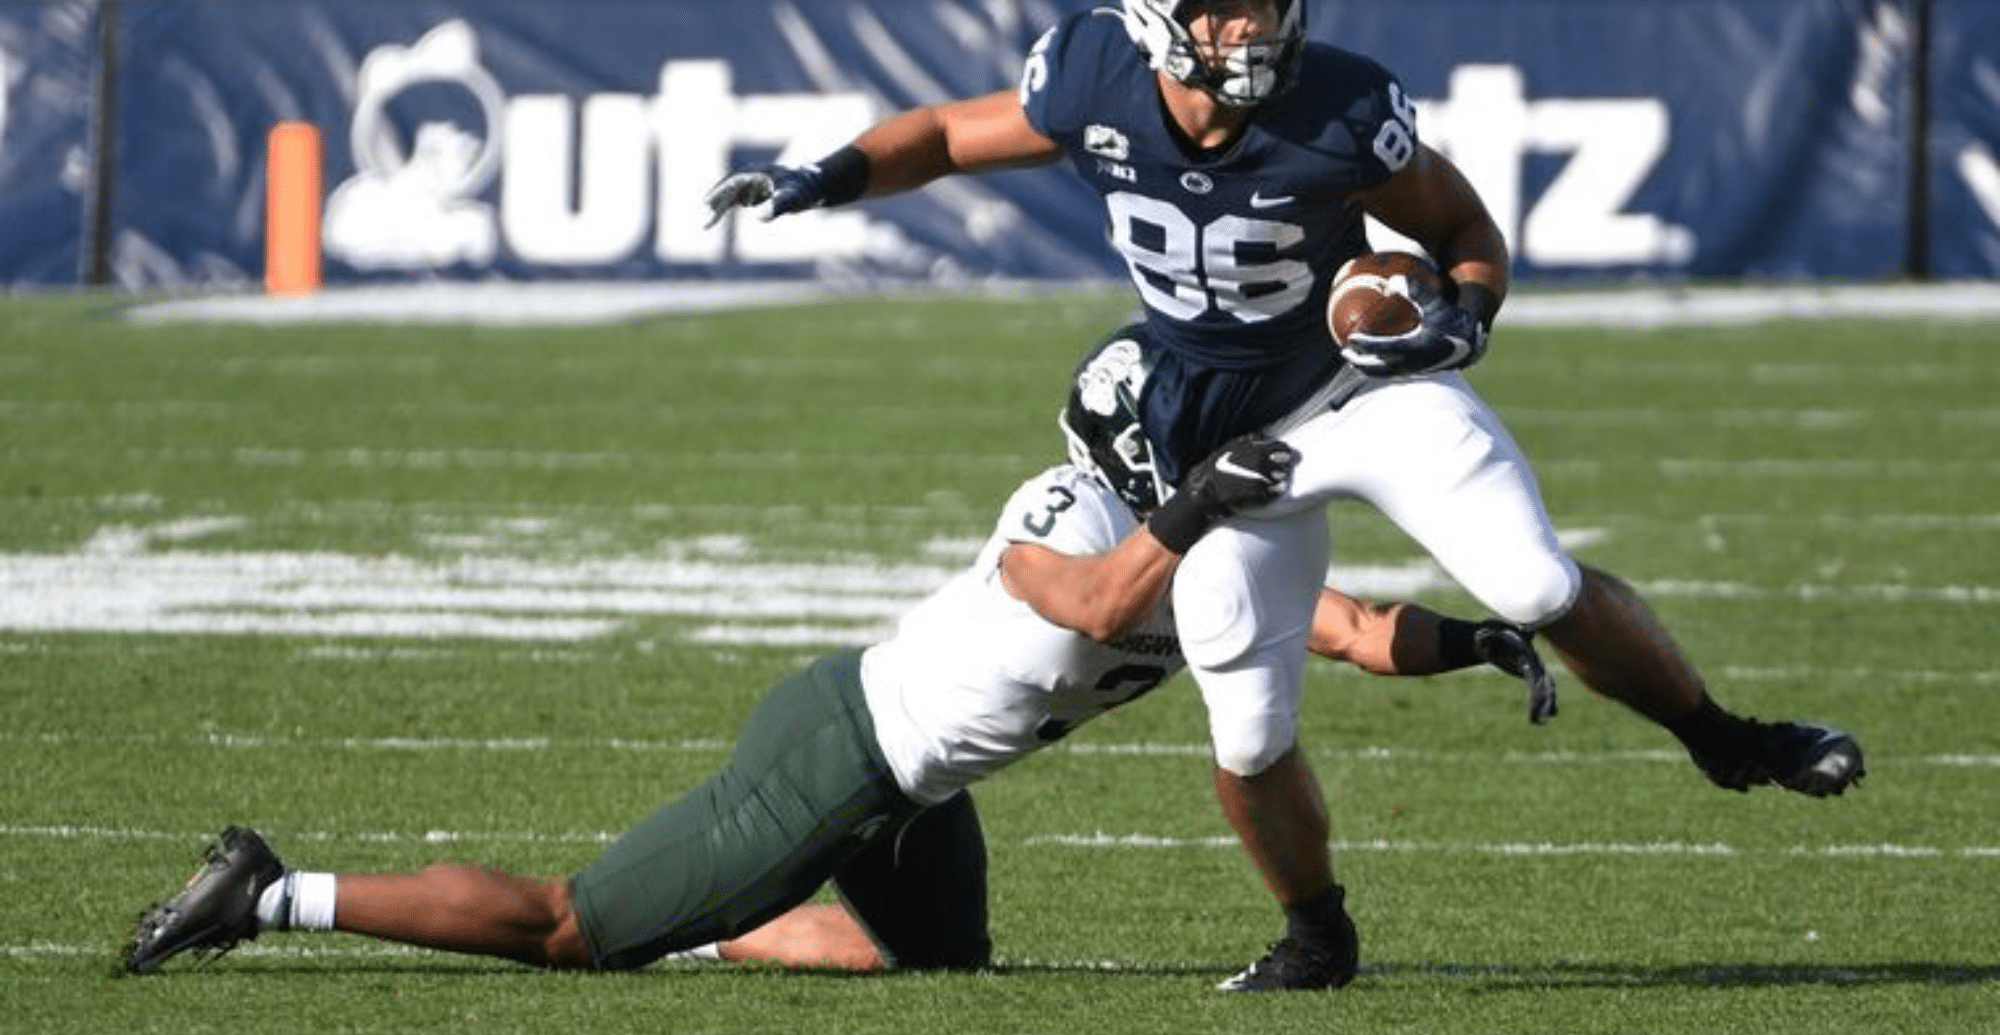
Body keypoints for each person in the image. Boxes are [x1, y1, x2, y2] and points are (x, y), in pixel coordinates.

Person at [704, 0, 1866, 986]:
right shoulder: (1092, 75)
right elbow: (946, 136)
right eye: (1223, 9)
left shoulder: (1340, 104)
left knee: (1532, 583)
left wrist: (1464, 316)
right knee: (1250, 727)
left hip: (1360, 389)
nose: (1252, 27)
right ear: (1155, 14)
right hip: (1224, 436)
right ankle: (1316, 936)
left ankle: (1725, 738)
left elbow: (1462, 227)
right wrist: (825, 178)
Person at [120, 335, 1554, 988]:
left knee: (938, 967)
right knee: (569, 929)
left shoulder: (1195, 542)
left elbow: (1342, 627)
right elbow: (1091, 604)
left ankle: (708, 920)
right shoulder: (1066, 512)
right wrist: (1191, 507)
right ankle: (274, 891)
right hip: (842, 749)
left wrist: (1477, 638)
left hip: (922, 792)